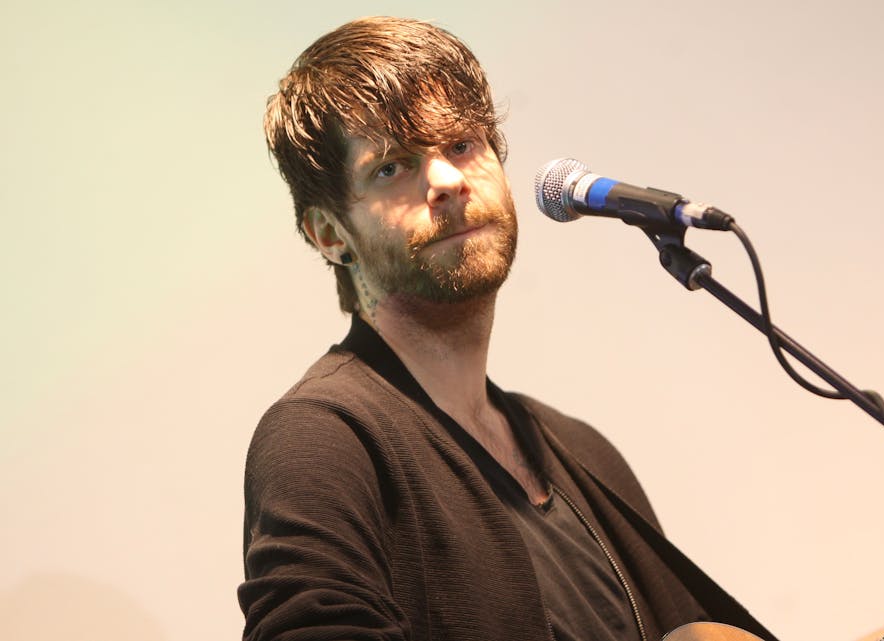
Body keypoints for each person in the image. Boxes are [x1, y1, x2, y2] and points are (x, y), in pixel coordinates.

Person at [239, 16, 777, 641]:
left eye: (462, 145)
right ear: (331, 234)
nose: (446, 180)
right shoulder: (323, 437)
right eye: (392, 167)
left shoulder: (582, 451)